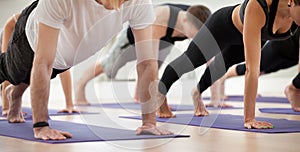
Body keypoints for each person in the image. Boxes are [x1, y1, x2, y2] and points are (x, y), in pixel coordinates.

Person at [0, 0, 169, 140]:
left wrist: (149, 122)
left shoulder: (139, 2)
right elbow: (43, 62)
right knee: (14, 72)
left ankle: (15, 94)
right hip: (30, 38)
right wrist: (41, 125)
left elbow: (147, 63)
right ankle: (14, 93)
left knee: (42, 74)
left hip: (65, 55)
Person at [156, 0, 300, 129]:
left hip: (250, 33)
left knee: (222, 66)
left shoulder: (295, 17)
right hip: (222, 27)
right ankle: (160, 97)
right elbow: (251, 70)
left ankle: (197, 92)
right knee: (191, 60)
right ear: (292, 2)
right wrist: (249, 118)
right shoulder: (260, 5)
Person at [74, 4, 211, 105]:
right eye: (196, 34)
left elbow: (211, 60)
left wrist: (216, 100)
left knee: (156, 66)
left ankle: (138, 96)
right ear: (185, 21)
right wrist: (159, 101)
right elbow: (148, 60)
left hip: (166, 40)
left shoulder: (200, 19)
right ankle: (80, 85)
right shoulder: (163, 17)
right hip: (134, 37)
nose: (197, 38)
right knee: (109, 65)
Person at [0, 13, 77, 116]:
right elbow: (9, 25)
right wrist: (6, 108)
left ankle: (13, 96)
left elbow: (63, 69)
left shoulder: (63, 32)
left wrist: (69, 105)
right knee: (10, 68)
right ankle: (7, 102)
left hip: (31, 38)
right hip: (10, 33)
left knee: (38, 67)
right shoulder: (40, 12)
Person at [211, 29, 300, 111]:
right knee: (254, 67)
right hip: (280, 47)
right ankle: (223, 77)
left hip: (293, 54)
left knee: (262, 70)